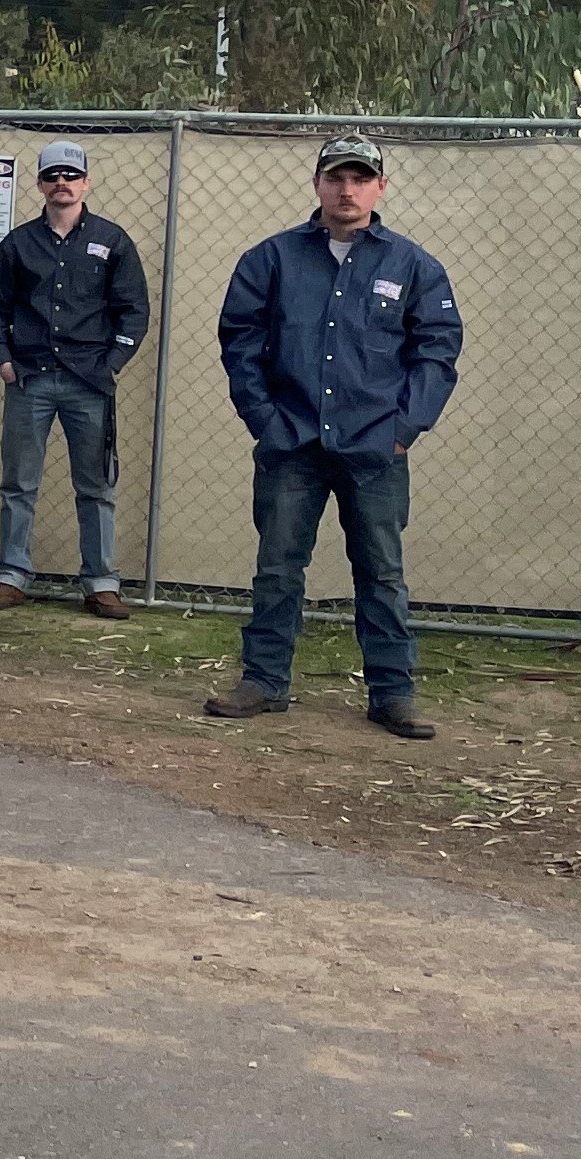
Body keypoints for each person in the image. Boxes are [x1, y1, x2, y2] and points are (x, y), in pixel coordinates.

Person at [208, 135, 464, 740]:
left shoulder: (414, 267)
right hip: (291, 444)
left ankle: (392, 692)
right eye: (335, 177)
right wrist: (265, 420)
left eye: (359, 178)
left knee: (381, 572)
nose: (346, 190)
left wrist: (404, 430)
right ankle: (264, 681)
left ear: (380, 186)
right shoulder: (269, 260)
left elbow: (438, 352)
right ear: (317, 183)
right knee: (277, 568)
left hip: (375, 450)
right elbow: (239, 342)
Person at [0, 141, 150, 621]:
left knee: (96, 485)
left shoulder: (112, 242)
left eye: (70, 176)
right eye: (52, 175)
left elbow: (134, 309)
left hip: (89, 382)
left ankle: (101, 582)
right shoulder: (18, 244)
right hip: (29, 379)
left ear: (86, 183)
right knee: (18, 482)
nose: (62, 183)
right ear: (39, 184)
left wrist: (113, 361)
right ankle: (11, 574)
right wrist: (3, 360)